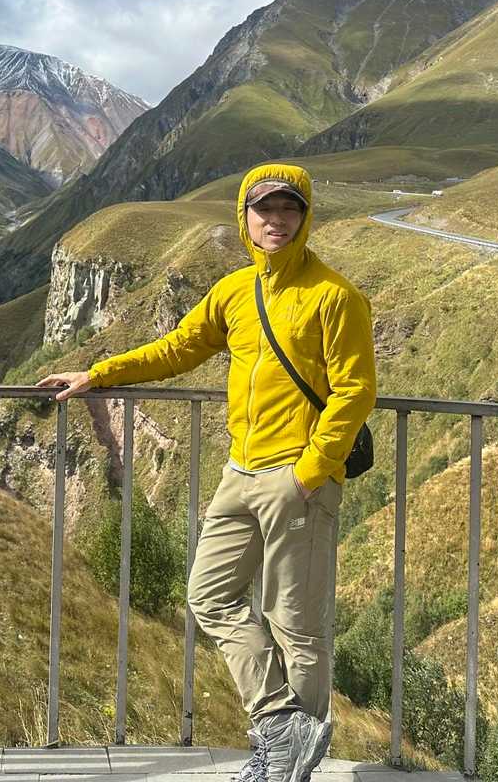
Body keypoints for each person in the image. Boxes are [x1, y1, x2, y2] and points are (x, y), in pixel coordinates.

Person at [37, 162, 376, 782]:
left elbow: (355, 392)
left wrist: (311, 470)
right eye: (264, 209)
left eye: (289, 209)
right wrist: (99, 373)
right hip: (240, 472)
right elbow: (177, 348)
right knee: (208, 595)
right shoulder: (234, 291)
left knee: (296, 626)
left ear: (305, 218)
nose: (276, 220)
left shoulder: (335, 296)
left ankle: (289, 767)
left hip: (298, 479)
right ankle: (281, 725)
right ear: (245, 218)